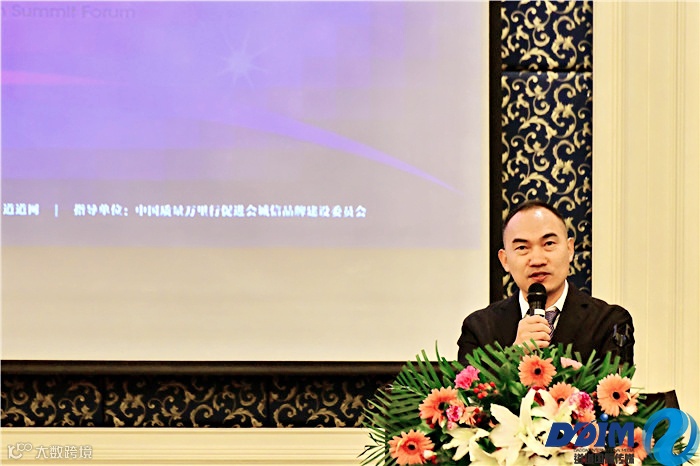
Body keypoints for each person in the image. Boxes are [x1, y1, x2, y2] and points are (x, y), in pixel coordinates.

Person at [457, 200, 634, 366]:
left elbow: (615, 386)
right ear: (505, 260)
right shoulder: (479, 328)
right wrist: (514, 356)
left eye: (548, 243)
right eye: (522, 248)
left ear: (570, 249)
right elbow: (469, 386)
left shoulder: (610, 322)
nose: (537, 260)